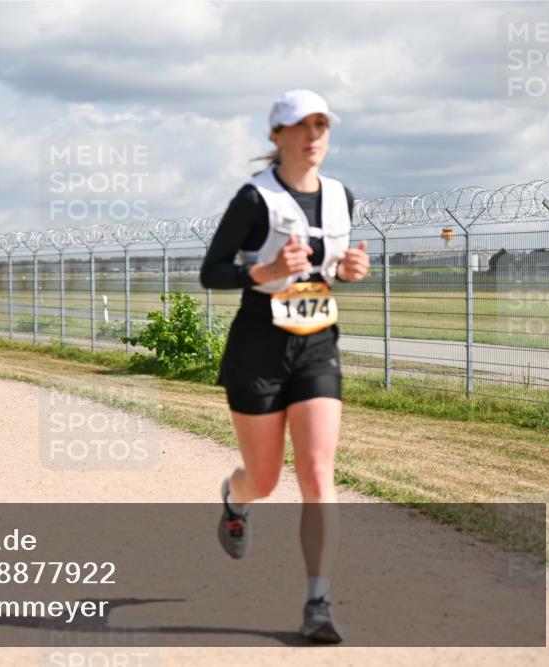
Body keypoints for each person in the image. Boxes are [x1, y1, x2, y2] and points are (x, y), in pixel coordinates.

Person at [199, 89, 369, 644]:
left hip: (317, 341)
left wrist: (348, 269)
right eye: (301, 126)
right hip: (259, 346)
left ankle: (318, 603)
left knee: (319, 471)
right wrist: (265, 268)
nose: (313, 135)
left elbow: (330, 266)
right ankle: (235, 498)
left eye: (321, 125)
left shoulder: (343, 196)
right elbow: (212, 272)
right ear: (277, 136)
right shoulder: (254, 200)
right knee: (266, 478)